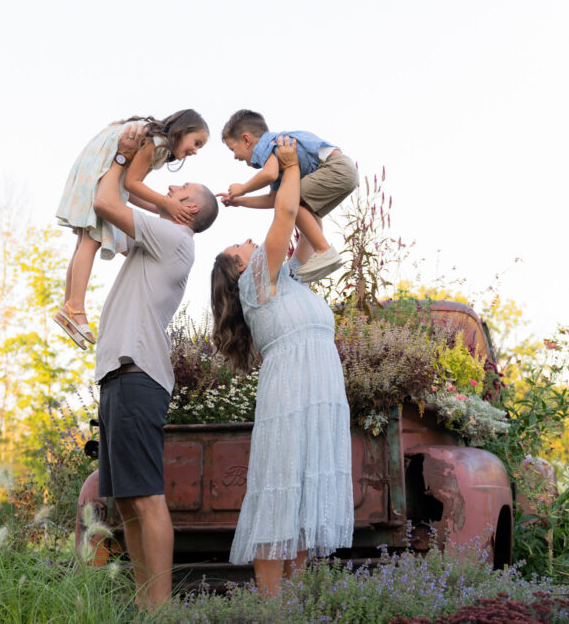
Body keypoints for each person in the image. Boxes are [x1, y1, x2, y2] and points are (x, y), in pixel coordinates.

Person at [210, 136, 353, 599]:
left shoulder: (286, 277)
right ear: (238, 269)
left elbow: (305, 228)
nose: (250, 239)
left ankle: (290, 601)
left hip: (321, 387)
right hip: (291, 390)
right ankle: (271, 606)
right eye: (241, 243)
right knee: (281, 491)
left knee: (308, 490)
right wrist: (289, 167)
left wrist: (306, 182)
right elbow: (285, 214)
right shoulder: (256, 283)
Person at [92, 124, 219, 611]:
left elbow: (107, 201)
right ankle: (147, 605)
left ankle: (160, 610)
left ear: (188, 210)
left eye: (179, 190)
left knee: (145, 498)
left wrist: (124, 160)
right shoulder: (157, 237)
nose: (169, 188)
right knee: (125, 501)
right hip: (119, 376)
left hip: (137, 374)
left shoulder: (171, 236)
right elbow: (119, 208)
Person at [54, 110, 209, 348]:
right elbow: (130, 183)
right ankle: (75, 307)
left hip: (97, 165)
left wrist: (163, 210)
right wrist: (165, 203)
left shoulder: (158, 148)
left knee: (84, 241)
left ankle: (69, 307)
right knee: (91, 240)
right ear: (183, 130)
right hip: (101, 165)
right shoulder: (156, 142)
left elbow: (131, 191)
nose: (195, 151)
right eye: (196, 142)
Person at [218, 109, 358, 283]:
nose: (234, 157)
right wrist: (239, 202)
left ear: (246, 140)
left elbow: (269, 175)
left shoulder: (265, 145)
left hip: (335, 169)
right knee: (291, 201)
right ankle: (318, 253)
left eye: (233, 149)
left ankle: (323, 250)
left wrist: (243, 188)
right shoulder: (276, 157)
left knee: (291, 201)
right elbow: (273, 199)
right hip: (344, 172)